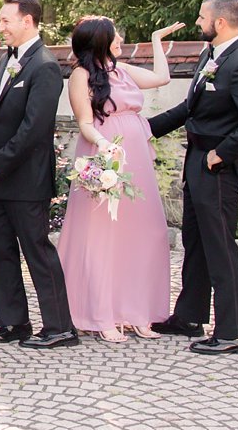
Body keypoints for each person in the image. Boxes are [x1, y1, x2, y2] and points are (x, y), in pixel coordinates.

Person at [148, 0, 238, 355]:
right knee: (197, 242)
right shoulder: (211, 55)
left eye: (202, 17)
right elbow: (191, 107)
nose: (199, 22)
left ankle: (234, 331)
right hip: (198, 163)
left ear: (220, 22)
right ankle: (189, 316)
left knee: (220, 247)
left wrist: (222, 152)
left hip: (218, 168)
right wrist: (146, 129)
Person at [58, 17, 181, 342]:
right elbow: (85, 121)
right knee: (102, 236)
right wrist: (103, 145)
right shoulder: (81, 75)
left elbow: (161, 77)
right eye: (114, 34)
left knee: (141, 233)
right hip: (104, 154)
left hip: (136, 156)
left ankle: (138, 311)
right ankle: (101, 314)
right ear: (100, 39)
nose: (120, 38)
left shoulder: (122, 69)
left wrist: (155, 38)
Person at [0, 0, 77, 350]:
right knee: (0, 252)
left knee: (37, 251)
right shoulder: (7, 61)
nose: (0, 28)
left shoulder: (44, 66)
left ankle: (60, 327)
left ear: (27, 21)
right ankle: (13, 323)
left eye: (5, 21)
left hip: (25, 179)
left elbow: (33, 130)